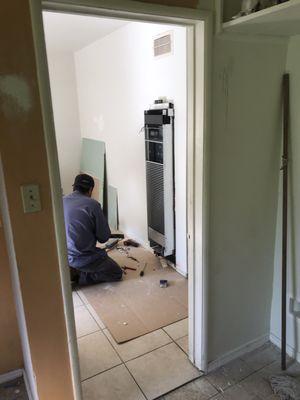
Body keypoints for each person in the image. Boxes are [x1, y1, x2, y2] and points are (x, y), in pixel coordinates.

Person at [63, 173, 123, 286]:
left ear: (74, 187)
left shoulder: (61, 201)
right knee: (116, 273)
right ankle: (80, 276)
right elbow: (103, 238)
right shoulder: (93, 205)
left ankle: (71, 270)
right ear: (90, 189)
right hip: (81, 258)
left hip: (63, 256)